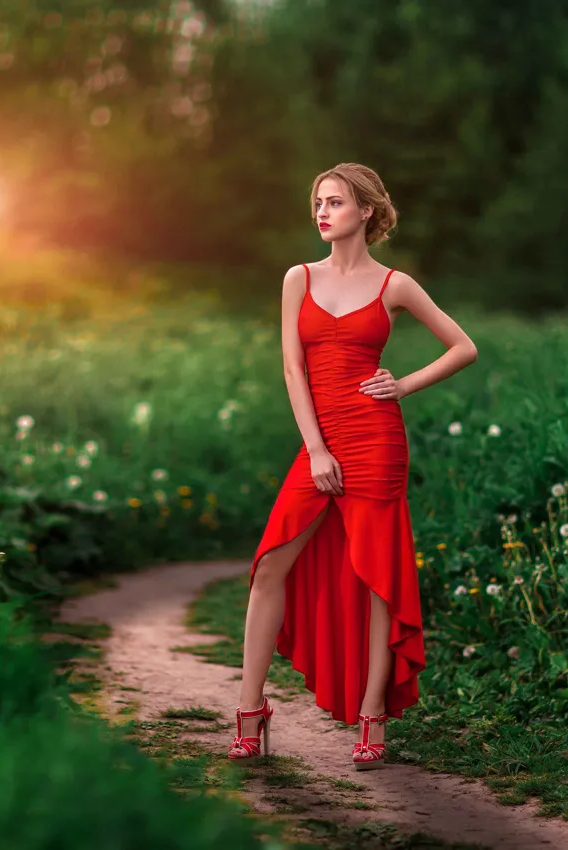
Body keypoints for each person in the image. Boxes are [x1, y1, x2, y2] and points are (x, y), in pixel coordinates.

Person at [226, 162, 479, 770]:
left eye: (335, 203)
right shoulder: (298, 278)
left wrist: (405, 384)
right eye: (318, 202)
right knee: (268, 567)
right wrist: (315, 449)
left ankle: (371, 718)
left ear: (366, 211)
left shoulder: (395, 284)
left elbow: (464, 346)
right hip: (322, 439)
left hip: (376, 441)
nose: (322, 212)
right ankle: (249, 710)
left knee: (376, 580)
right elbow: (293, 370)